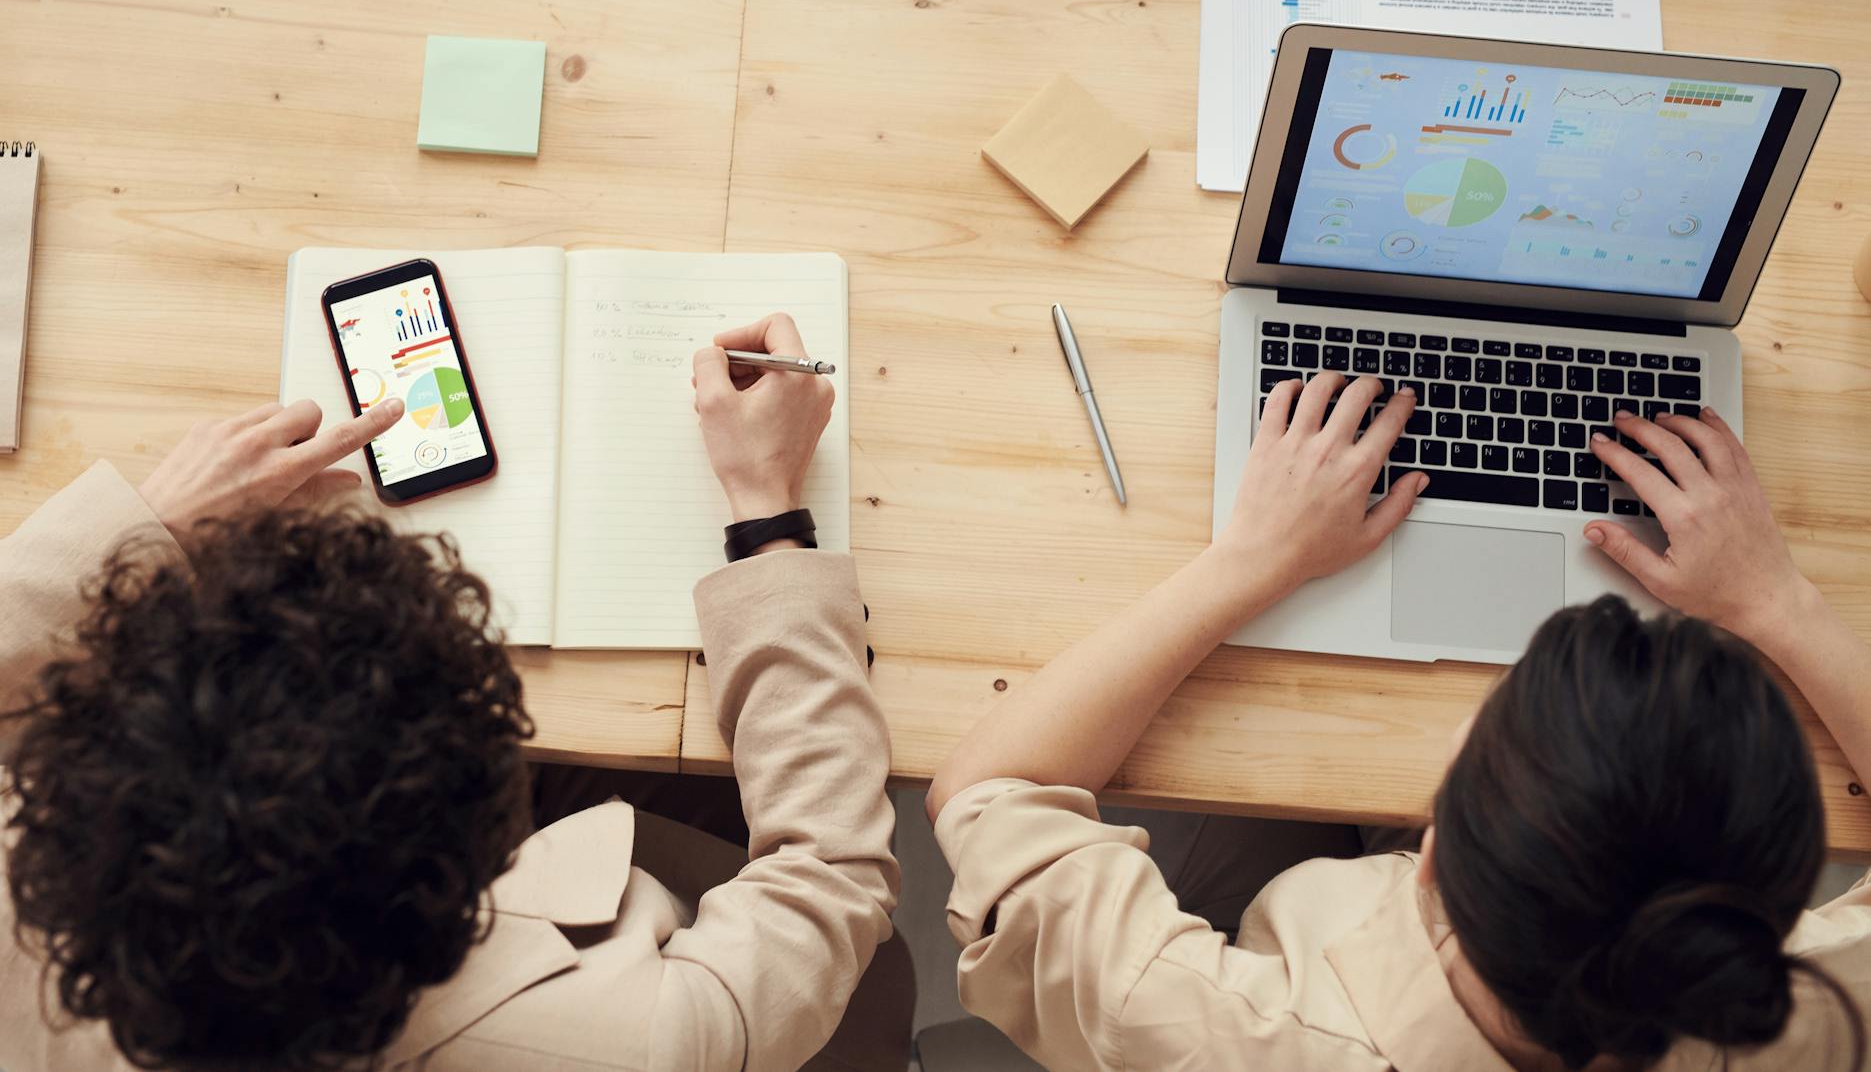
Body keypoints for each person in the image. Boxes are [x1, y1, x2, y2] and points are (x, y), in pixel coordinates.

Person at [0, 313, 905, 1072]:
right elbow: (825, 883)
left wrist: (150, 527)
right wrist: (771, 516)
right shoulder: (622, 1044)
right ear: (468, 870)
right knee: (885, 975)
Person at [927, 371, 1871, 1071]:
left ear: (1428, 852)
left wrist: (1251, 560)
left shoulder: (1220, 1031)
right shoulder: (1821, 1019)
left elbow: (988, 792)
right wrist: (1774, 600)